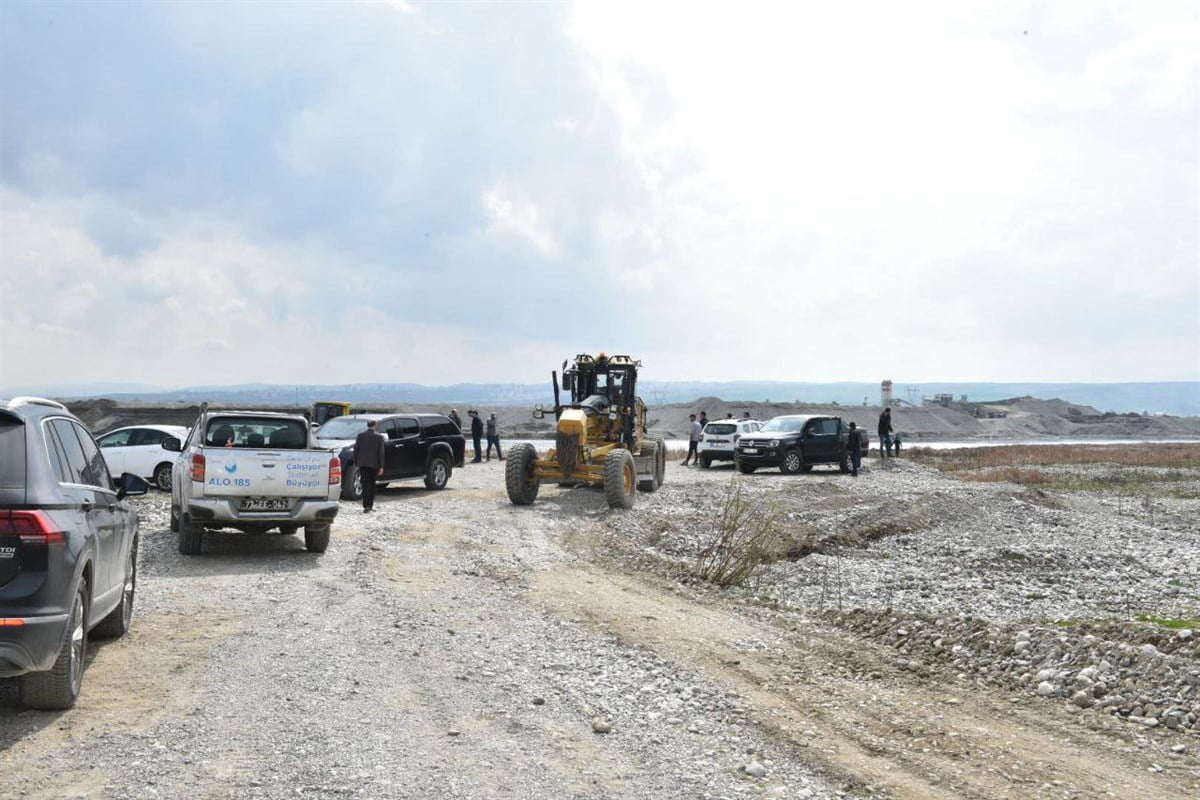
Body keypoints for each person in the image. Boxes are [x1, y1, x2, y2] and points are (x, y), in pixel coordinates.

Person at [353, 419, 386, 512]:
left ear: (368, 425)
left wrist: (356, 462)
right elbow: (381, 453)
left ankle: (365, 505)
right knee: (371, 485)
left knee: (364, 484)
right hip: (374, 465)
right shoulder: (379, 437)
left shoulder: (360, 436)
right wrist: (381, 466)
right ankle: (370, 505)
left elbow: (356, 449)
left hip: (362, 464)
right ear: (375, 426)